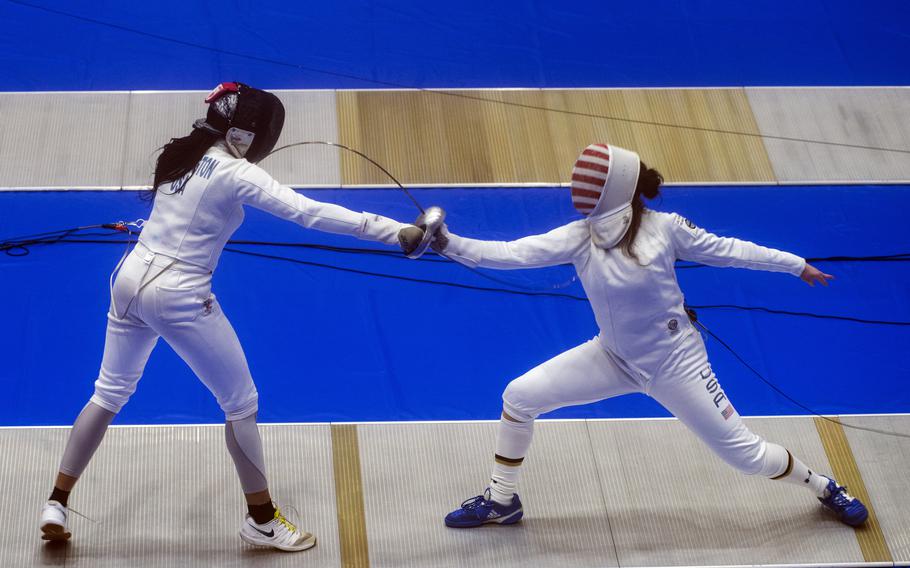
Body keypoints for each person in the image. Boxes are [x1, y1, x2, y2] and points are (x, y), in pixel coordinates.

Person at [38, 82, 427, 552]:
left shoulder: (184, 153)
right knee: (240, 404)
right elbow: (307, 212)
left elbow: (178, 213)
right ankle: (261, 520)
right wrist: (395, 231)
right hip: (178, 294)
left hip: (129, 277)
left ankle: (56, 501)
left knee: (108, 393)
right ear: (245, 134)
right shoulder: (233, 172)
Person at [437, 143, 868, 529]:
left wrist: (795, 264)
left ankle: (825, 487)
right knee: (519, 396)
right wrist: (447, 243)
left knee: (746, 456)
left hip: (676, 363)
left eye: (587, 182)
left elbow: (731, 249)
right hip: (613, 357)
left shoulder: (665, 228)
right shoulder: (579, 237)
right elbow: (509, 254)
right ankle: (501, 501)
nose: (576, 188)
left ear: (613, 188)